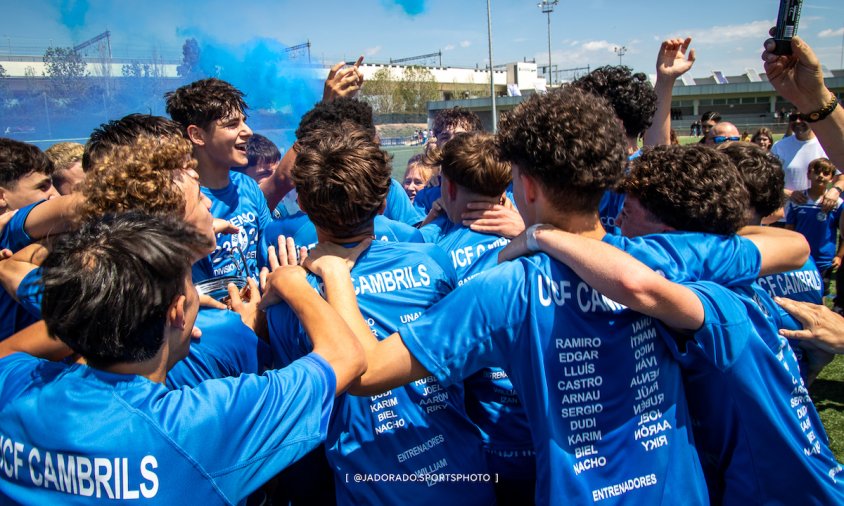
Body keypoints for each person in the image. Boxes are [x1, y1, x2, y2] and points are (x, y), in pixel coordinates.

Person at [316, 87, 751, 505]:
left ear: (526, 188)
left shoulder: (505, 288)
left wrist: (333, 273)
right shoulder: (661, 256)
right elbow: (790, 249)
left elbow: (366, 373)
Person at [0, 212, 366, 503]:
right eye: (189, 284)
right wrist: (293, 282)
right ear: (177, 313)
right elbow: (346, 357)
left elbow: (10, 350)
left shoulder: (17, 389)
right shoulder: (195, 424)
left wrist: (90, 316)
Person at [265, 121, 494, 505]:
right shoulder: (434, 262)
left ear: (302, 205)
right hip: (465, 479)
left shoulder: (293, 306)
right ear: (384, 202)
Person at [604, 143, 844, 503]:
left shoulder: (713, 299)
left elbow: (631, 278)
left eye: (627, 212)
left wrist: (540, 235)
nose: (617, 223)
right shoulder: (736, 276)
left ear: (671, 234)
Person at [571, 37, 694, 234]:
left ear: (615, 124)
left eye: (582, 117)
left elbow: (658, 153)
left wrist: (665, 81)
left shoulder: (639, 170)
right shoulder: (583, 170)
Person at [165, 78, 273, 284]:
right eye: (232, 125)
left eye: (244, 121)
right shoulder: (182, 200)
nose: (248, 131)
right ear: (197, 135)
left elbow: (268, 250)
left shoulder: (247, 185)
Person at [784, 157, 844, 294]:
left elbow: (843, 233)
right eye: (816, 172)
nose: (820, 176)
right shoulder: (798, 200)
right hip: (801, 258)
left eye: (825, 173)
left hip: (824, 260)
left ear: (831, 178)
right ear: (808, 175)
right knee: (800, 293)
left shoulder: (837, 203)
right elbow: (789, 230)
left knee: (821, 294)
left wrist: (840, 255)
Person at [412, 106, 484, 216]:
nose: (451, 142)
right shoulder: (426, 195)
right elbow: (417, 232)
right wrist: (434, 214)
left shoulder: (495, 186)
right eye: (445, 137)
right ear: (437, 142)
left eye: (460, 136)